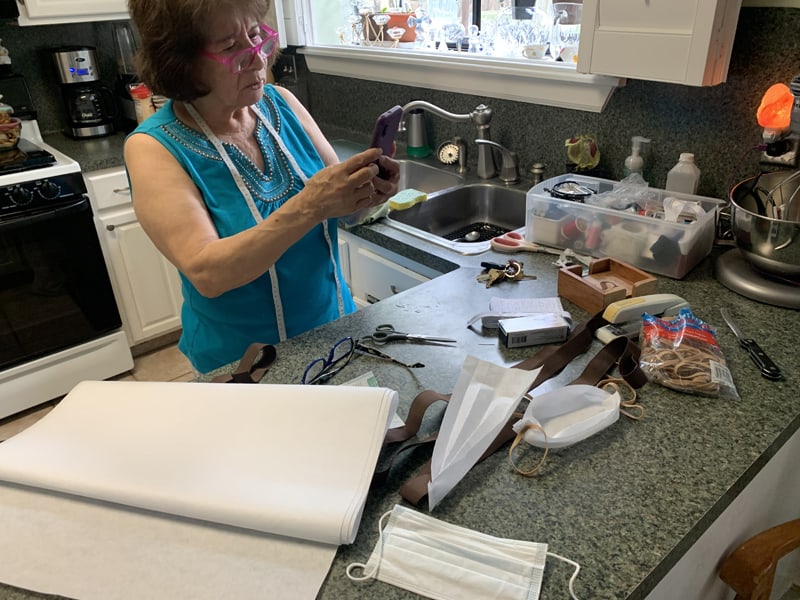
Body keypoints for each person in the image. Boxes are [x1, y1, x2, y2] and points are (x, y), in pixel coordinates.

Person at [124, 0, 399, 374]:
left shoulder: (282, 102)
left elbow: (345, 209)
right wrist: (309, 206)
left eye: (256, 36)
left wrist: (369, 192)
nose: (257, 59)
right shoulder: (153, 147)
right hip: (242, 366)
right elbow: (208, 273)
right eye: (230, 47)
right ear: (181, 60)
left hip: (336, 333)